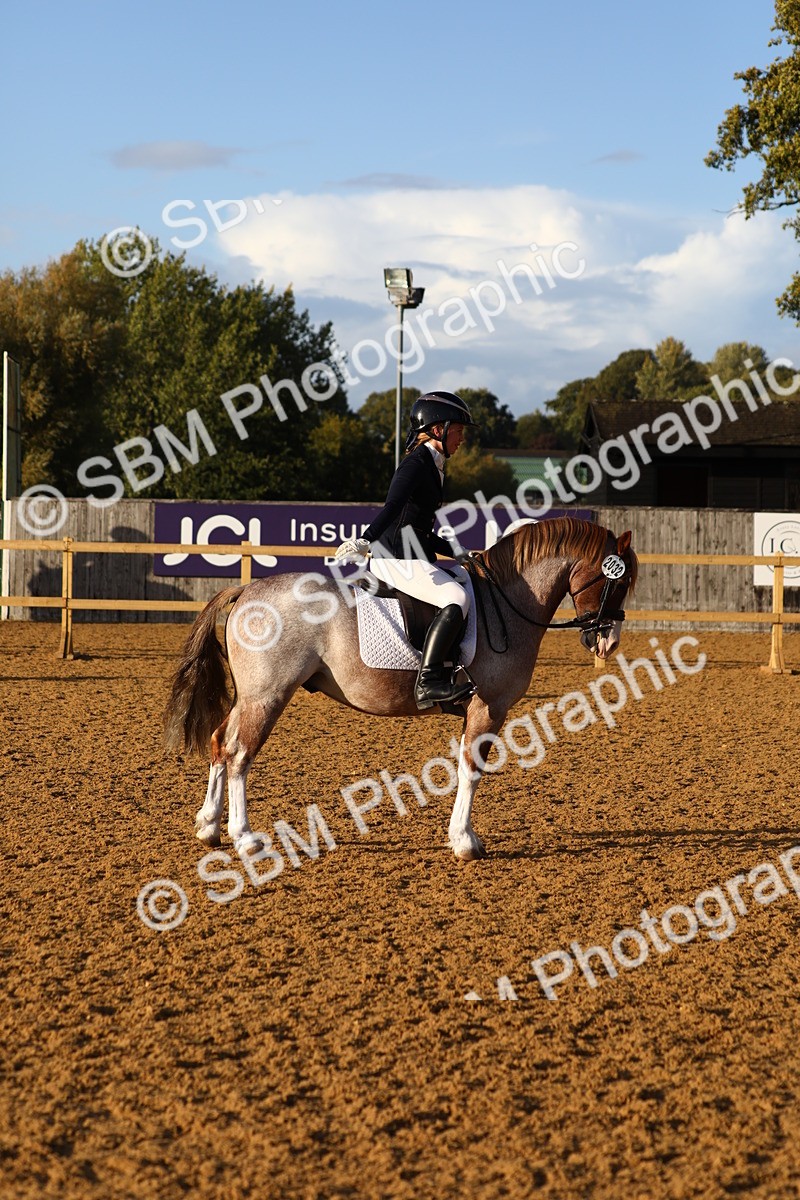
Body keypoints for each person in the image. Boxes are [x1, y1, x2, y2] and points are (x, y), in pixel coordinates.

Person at [335, 390, 477, 710]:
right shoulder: (415, 464)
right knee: (456, 598)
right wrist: (365, 540)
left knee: (466, 583)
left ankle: (450, 671)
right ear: (438, 429)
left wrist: (459, 552)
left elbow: (421, 529)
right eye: (459, 430)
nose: (462, 438)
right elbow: (393, 506)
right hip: (395, 560)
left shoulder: (434, 465)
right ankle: (429, 682)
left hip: (412, 554)